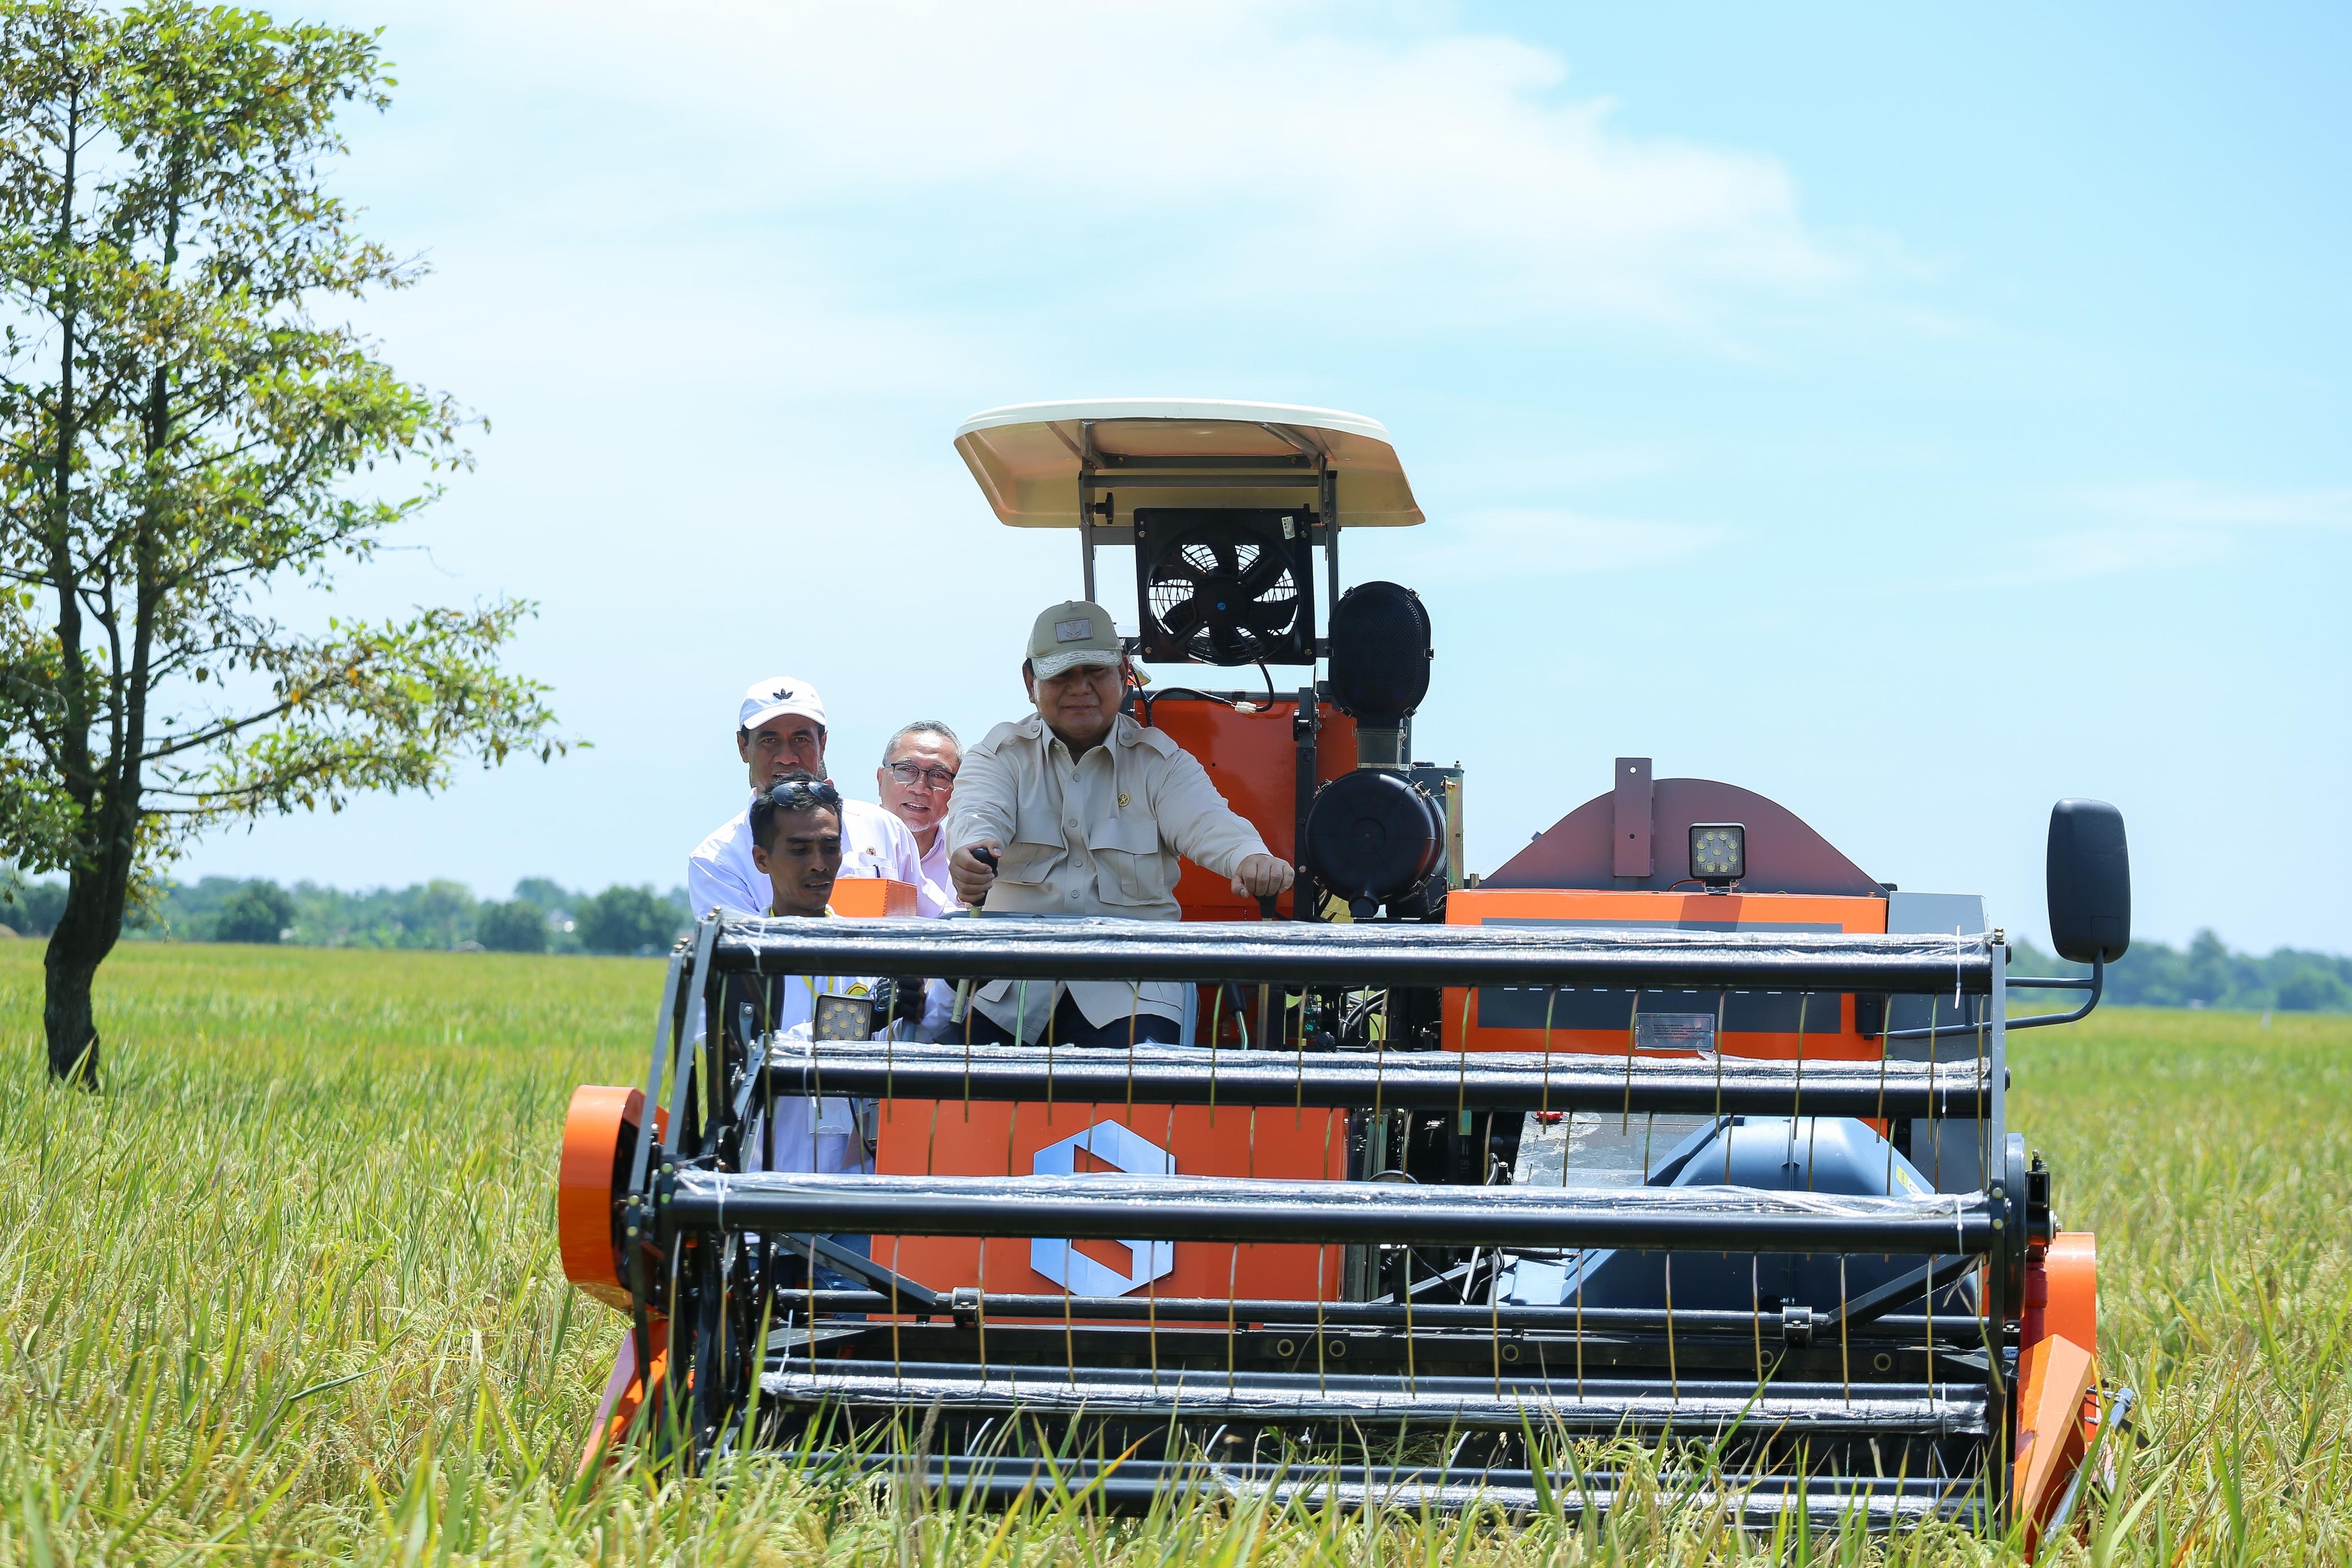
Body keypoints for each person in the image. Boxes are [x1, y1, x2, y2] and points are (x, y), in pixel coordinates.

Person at [946, 600, 1293, 1046]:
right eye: (1063, 674)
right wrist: (971, 853)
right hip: (1014, 988)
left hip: (1134, 989)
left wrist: (1250, 859)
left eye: (1095, 671)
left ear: (1125, 673)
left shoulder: (1160, 764)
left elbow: (1210, 822)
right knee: (956, 1093)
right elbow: (977, 814)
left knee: (1137, 1097)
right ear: (1030, 681)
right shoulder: (999, 756)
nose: (1080, 688)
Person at [688, 675, 922, 919]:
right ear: (743, 747)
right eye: (769, 740)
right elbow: (744, 952)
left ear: (822, 744)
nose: (787, 757)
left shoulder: (884, 827)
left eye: (801, 740)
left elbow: (930, 922)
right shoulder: (716, 860)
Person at [874, 720, 963, 917]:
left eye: (938, 775)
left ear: (956, 790)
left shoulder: (967, 864)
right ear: (881, 779)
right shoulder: (842, 842)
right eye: (906, 770)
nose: (920, 788)